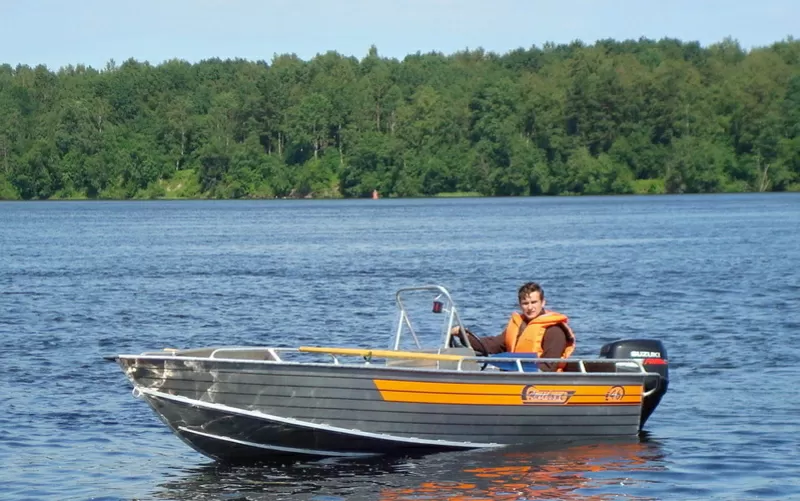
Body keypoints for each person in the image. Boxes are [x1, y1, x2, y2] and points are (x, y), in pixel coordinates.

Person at [452, 282, 576, 372]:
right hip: (516, 375)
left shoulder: (554, 331)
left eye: (534, 302)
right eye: (525, 303)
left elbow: (549, 366)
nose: (530, 307)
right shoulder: (519, 325)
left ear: (543, 302)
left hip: (540, 385)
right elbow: (492, 345)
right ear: (520, 305)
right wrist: (464, 336)